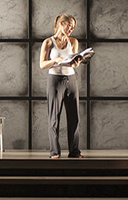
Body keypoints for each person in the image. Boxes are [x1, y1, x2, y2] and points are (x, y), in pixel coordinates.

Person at [39, 14, 84, 159]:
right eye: (69, 25)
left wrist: (77, 62)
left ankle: (74, 152)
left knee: (74, 117)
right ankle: (55, 152)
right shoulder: (48, 42)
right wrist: (56, 60)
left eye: (73, 27)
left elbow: (74, 63)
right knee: (54, 118)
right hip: (55, 80)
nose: (71, 29)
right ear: (61, 24)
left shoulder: (73, 41)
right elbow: (42, 65)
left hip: (71, 79)